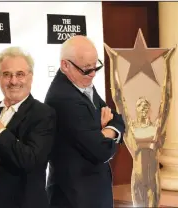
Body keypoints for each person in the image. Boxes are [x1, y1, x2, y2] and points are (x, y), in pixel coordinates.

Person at [44, 36, 125, 208]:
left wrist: (105, 131)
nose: (93, 74)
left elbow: (117, 118)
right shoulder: (63, 98)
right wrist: (105, 132)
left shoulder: (81, 81)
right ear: (65, 65)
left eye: (96, 67)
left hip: (91, 192)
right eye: (87, 69)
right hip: (74, 196)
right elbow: (101, 150)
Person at [0, 46, 56, 208]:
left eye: (20, 74)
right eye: (6, 74)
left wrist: (0, 129)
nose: (13, 81)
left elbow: (29, 160)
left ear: (31, 77)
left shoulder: (43, 113)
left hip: (23, 203)